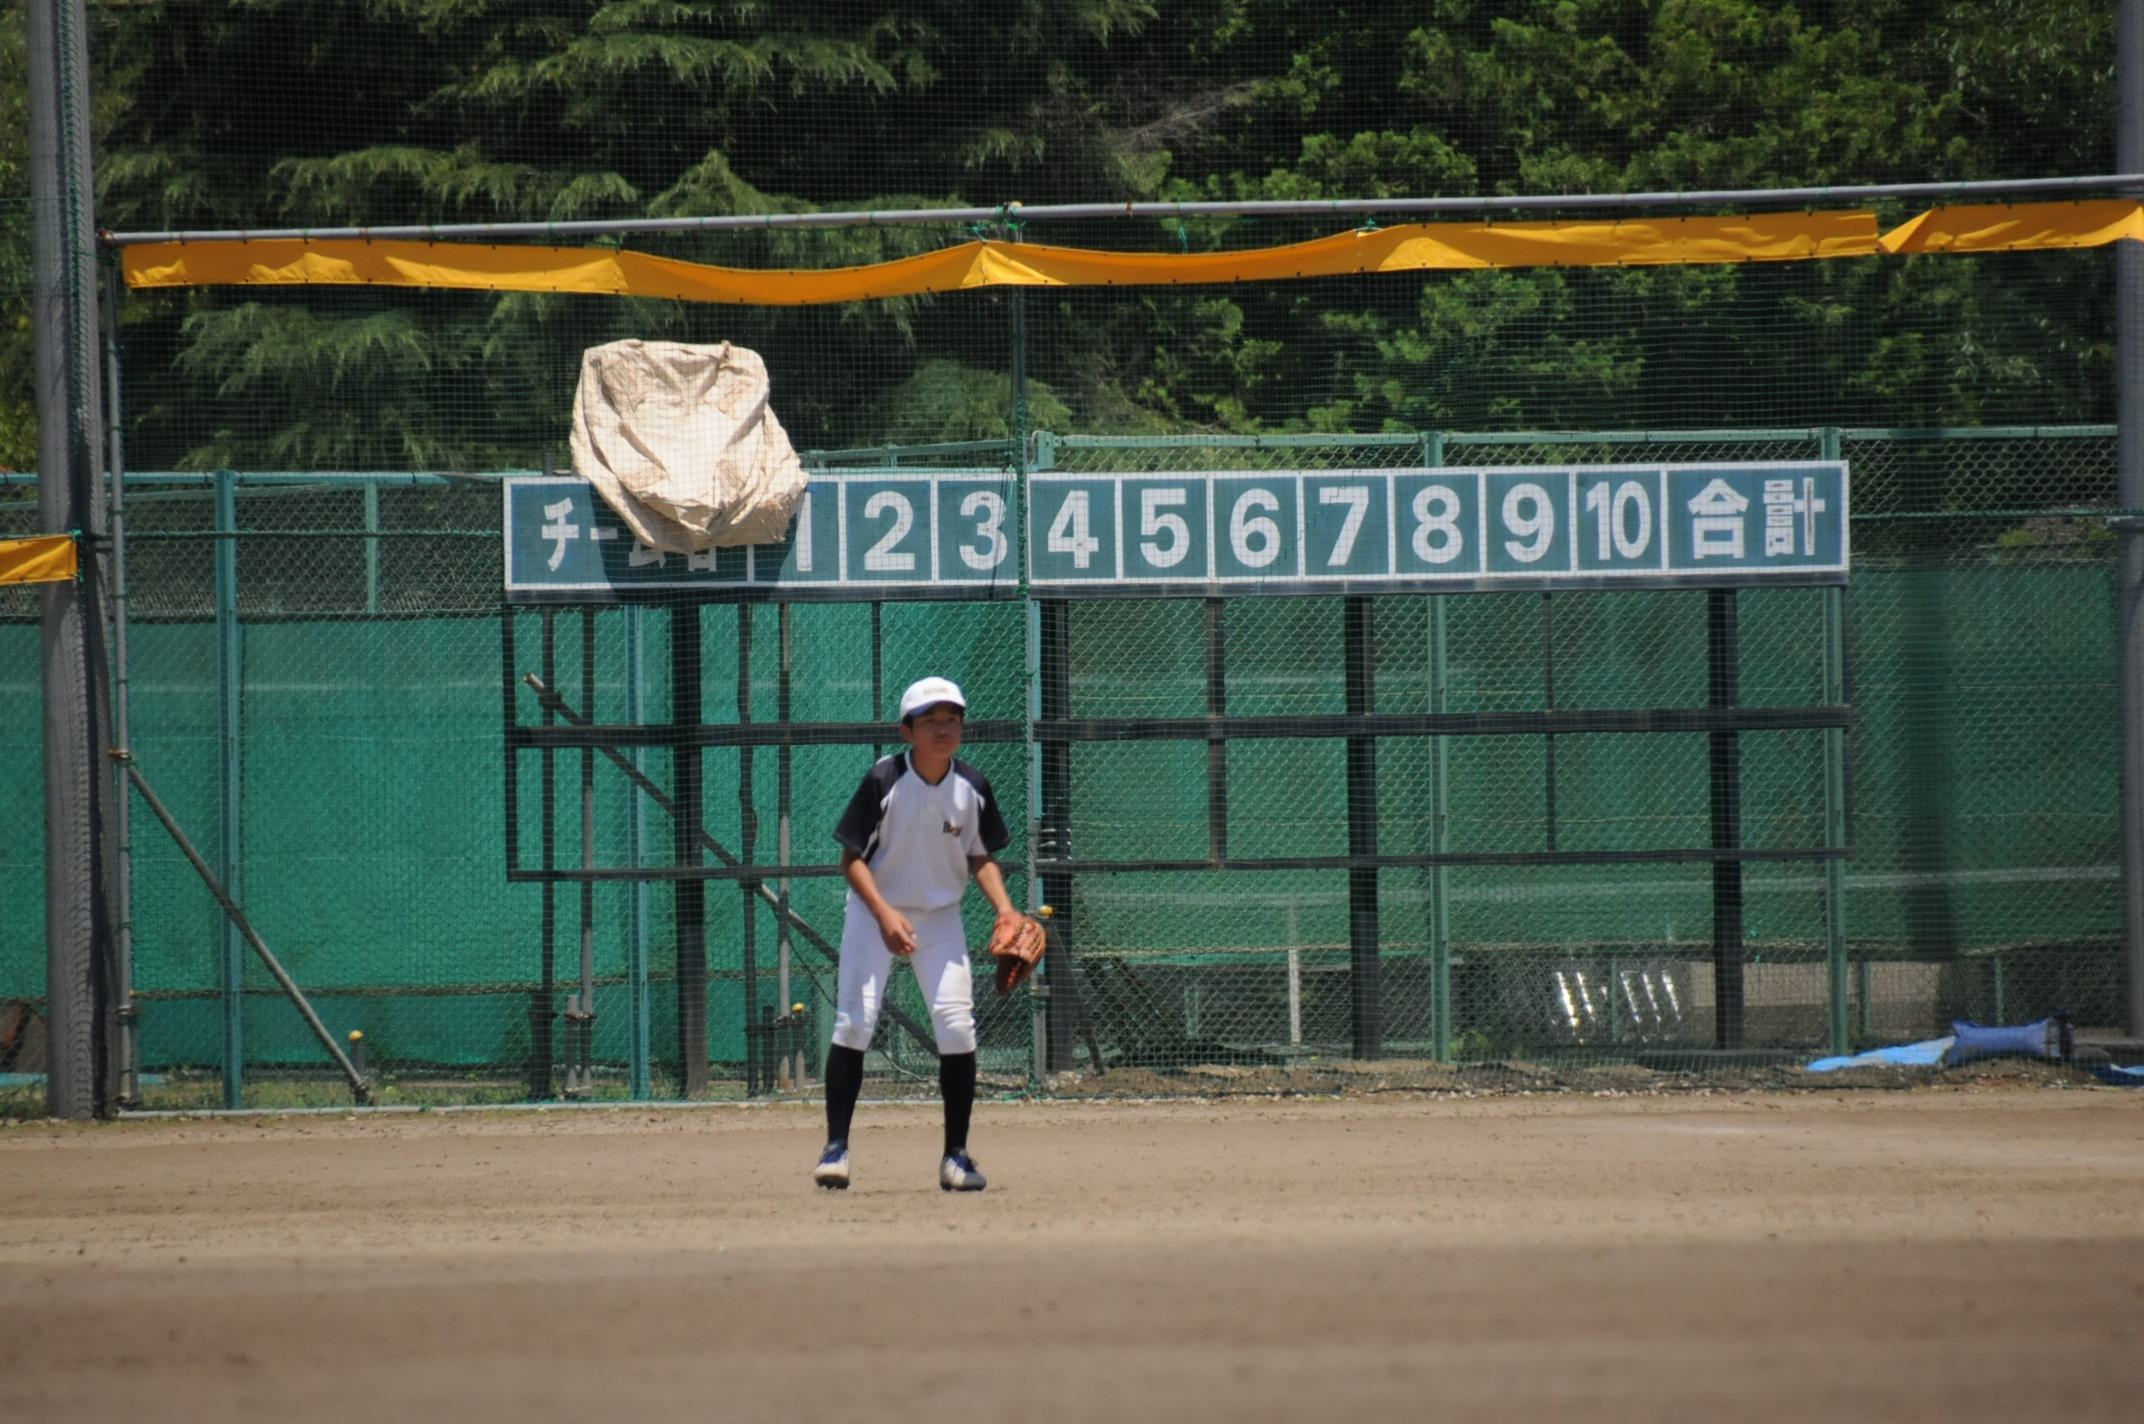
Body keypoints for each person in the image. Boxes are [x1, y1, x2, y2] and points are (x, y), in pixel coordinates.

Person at [813, 675, 1023, 1192]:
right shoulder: (884, 780)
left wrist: (1005, 910)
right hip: (874, 912)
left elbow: (979, 855)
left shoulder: (971, 786)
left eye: (951, 720)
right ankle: (836, 1149)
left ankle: (956, 1157)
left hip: (940, 917)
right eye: (930, 722)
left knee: (956, 1027)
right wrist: (884, 915)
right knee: (855, 1022)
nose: (942, 730)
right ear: (906, 731)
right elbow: (850, 860)